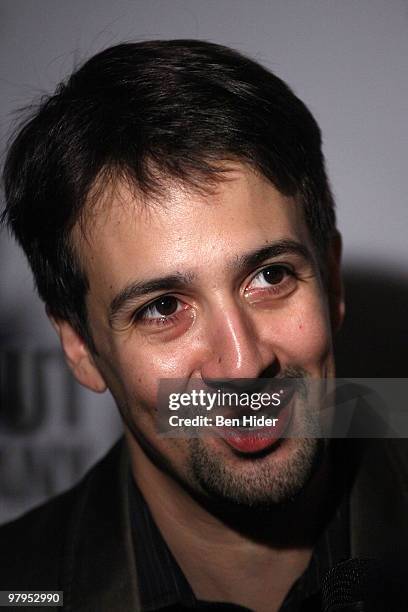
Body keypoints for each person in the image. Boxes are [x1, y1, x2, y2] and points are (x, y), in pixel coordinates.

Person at [1, 39, 407, 612]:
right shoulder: (20, 587)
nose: (242, 365)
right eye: (163, 307)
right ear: (80, 348)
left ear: (332, 281)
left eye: (270, 276)